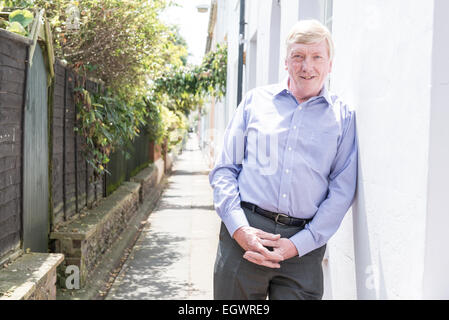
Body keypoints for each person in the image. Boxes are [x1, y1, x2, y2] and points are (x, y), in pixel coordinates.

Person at [209, 19, 358, 300]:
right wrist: (240, 230)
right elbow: (225, 170)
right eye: (298, 56)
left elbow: (342, 191)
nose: (307, 66)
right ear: (286, 62)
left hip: (303, 251)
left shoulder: (343, 118)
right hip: (244, 238)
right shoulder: (255, 102)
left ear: (330, 64)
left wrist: (299, 244)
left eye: (317, 57)